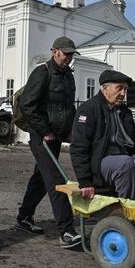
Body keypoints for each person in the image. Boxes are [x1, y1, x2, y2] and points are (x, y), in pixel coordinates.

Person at [14, 36, 82, 249]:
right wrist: (44, 131)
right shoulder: (42, 72)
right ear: (54, 51)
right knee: (55, 179)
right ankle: (66, 231)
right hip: (41, 137)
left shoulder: (68, 76)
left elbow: (68, 107)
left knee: (41, 178)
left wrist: (70, 131)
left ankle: (24, 217)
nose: (68, 58)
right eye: (65, 53)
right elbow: (28, 105)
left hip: (57, 136)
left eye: (71, 54)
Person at [70, 70, 135, 201]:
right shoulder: (89, 109)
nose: (123, 94)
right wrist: (85, 182)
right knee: (124, 163)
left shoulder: (124, 111)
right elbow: (78, 147)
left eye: (125, 90)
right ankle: (128, 210)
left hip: (125, 159)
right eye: (119, 88)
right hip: (101, 164)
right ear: (105, 89)